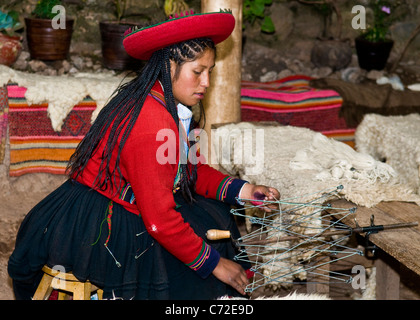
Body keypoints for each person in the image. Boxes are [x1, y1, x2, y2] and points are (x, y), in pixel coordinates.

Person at [8, 9, 280, 300]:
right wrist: (215, 266)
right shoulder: (151, 122)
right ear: (169, 65)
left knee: (217, 218)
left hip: (137, 204)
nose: (206, 83)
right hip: (98, 223)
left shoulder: (168, 105)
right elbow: (159, 221)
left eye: (209, 72)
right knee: (191, 272)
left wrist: (244, 190)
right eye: (197, 72)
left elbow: (191, 171)